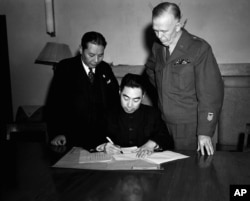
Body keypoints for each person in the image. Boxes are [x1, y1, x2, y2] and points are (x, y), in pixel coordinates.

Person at [145, 2, 224, 155]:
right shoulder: (158, 47)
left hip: (191, 129)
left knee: (191, 175)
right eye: (156, 31)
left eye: (164, 31)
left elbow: (211, 94)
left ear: (177, 25)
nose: (159, 36)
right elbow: (150, 70)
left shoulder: (199, 48)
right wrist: (164, 91)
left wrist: (205, 132)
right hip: (164, 124)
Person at [45, 31, 120, 151]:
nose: (96, 60)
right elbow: (54, 105)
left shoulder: (105, 68)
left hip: (101, 139)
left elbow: (114, 103)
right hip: (71, 137)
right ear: (81, 49)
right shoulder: (65, 68)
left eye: (100, 55)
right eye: (91, 55)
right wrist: (57, 133)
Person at [97, 73, 172, 158]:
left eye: (136, 100)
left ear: (142, 96)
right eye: (126, 98)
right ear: (119, 92)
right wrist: (104, 146)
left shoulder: (153, 114)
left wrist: (152, 143)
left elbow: (166, 138)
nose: (129, 105)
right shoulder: (107, 113)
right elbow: (91, 135)